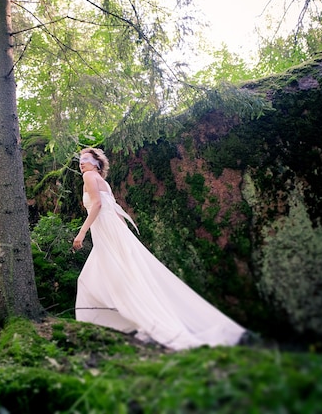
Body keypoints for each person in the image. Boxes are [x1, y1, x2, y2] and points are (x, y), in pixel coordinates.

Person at [72, 147, 246, 351]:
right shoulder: (104, 182)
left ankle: (132, 319)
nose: (81, 162)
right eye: (80, 159)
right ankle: (123, 318)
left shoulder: (90, 177)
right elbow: (115, 209)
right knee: (111, 274)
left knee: (103, 277)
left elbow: (98, 205)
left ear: (97, 164)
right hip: (112, 230)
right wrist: (123, 235)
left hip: (106, 230)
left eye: (85, 159)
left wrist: (82, 233)